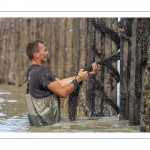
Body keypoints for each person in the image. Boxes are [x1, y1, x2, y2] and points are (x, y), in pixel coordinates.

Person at [26, 40, 100, 126]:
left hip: (38, 125)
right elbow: (63, 93)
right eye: (45, 50)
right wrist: (79, 78)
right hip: (48, 126)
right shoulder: (42, 72)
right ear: (36, 54)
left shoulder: (31, 71)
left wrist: (87, 72)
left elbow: (60, 83)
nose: (48, 52)